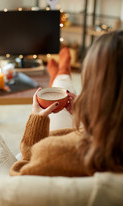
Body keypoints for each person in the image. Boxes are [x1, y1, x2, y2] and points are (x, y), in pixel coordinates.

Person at [9, 30, 123, 177]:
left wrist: (35, 121)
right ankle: (62, 72)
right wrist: (85, 117)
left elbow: (23, 170)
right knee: (64, 91)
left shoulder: (54, 152)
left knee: (62, 89)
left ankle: (61, 72)